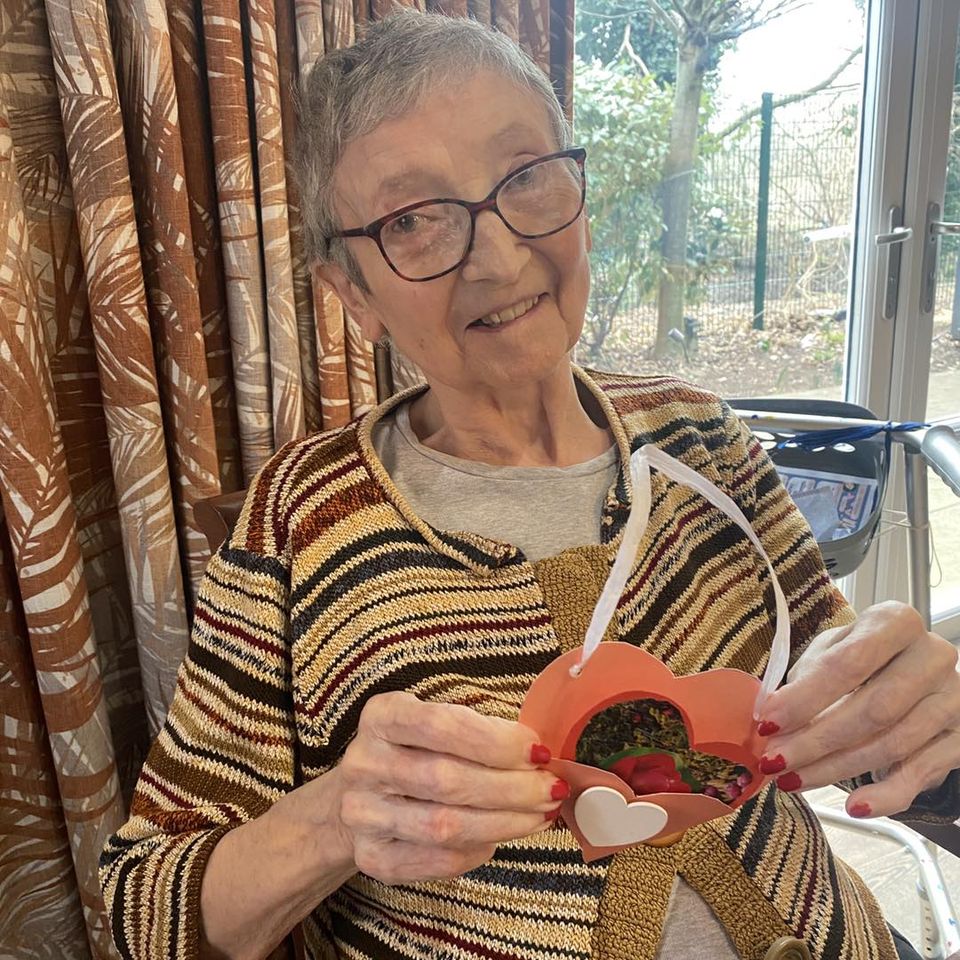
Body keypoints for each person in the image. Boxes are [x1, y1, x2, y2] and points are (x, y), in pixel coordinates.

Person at [99, 12, 960, 960]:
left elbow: (836, 681)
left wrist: (905, 705)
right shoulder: (300, 523)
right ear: (354, 296)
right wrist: (336, 818)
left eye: (526, 176)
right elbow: (147, 907)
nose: (498, 256)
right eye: (412, 220)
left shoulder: (701, 435)